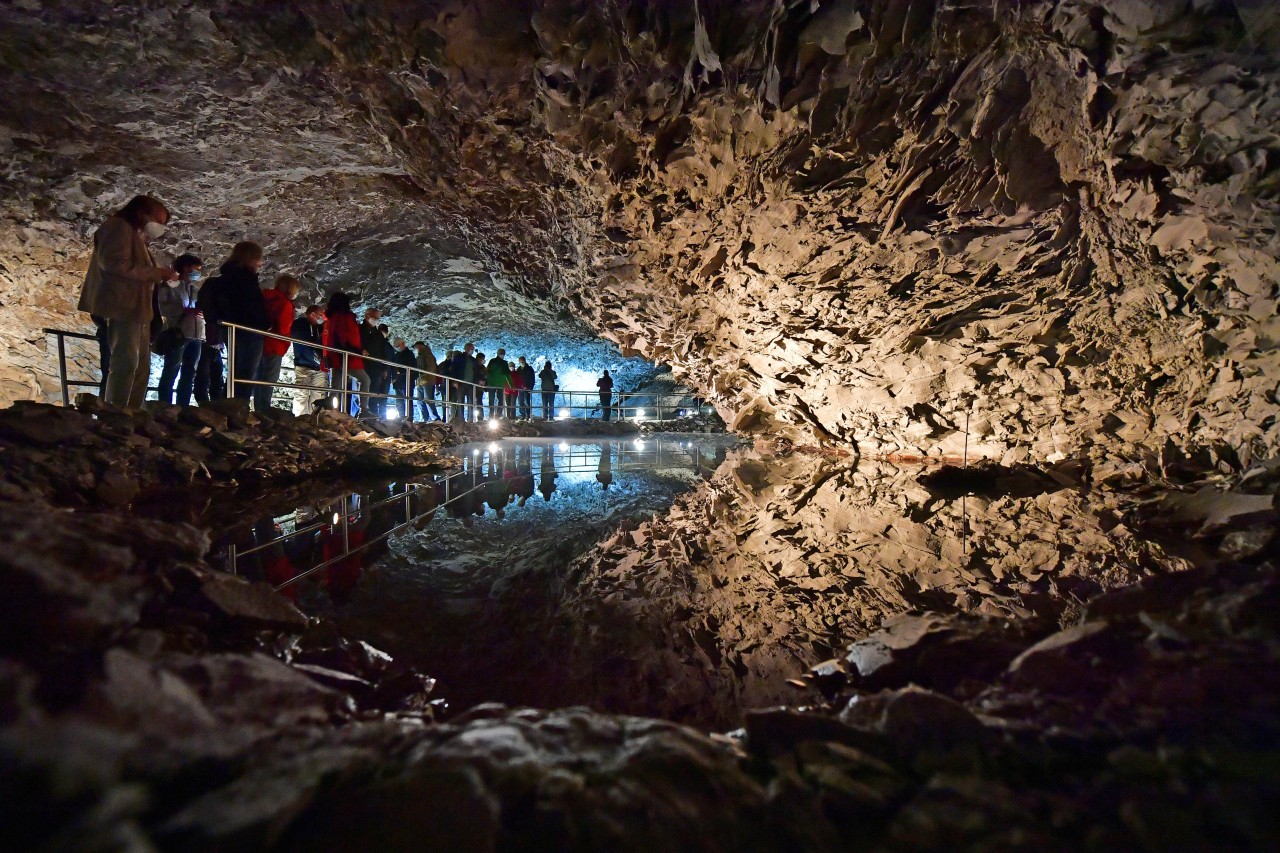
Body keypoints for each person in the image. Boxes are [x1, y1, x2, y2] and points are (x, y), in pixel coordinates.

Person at [76, 195, 178, 407]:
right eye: (158, 220)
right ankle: (116, 413)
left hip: (136, 309)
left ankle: (131, 412)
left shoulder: (131, 234)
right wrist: (156, 273)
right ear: (142, 213)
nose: (159, 226)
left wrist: (157, 275)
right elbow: (114, 264)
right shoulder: (117, 226)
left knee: (140, 367)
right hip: (123, 306)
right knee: (126, 363)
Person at [203, 241, 269, 402]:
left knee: (235, 373)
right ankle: (238, 409)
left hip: (230, 330)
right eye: (258, 258)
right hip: (248, 330)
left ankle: (228, 407)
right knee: (246, 374)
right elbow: (250, 306)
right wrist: (265, 324)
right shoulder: (245, 279)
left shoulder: (227, 278)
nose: (260, 263)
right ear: (251, 258)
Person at [155, 253, 205, 406]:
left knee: (189, 373)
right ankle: (165, 406)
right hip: (177, 333)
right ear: (185, 267)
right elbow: (161, 306)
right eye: (196, 269)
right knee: (171, 369)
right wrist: (183, 310)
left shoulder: (193, 289)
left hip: (196, 335)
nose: (198, 272)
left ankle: (182, 408)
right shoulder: (169, 286)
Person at [257, 274, 300, 412]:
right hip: (275, 344)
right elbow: (283, 327)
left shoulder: (266, 298)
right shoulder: (285, 303)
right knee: (270, 377)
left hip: (260, 343)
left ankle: (258, 408)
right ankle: (263, 410)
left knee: (259, 377)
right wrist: (287, 338)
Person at [323, 291, 368, 414]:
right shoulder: (344, 318)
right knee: (365, 380)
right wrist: (358, 351)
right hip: (348, 356)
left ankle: (328, 408)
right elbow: (345, 339)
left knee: (336, 385)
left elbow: (334, 339)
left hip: (337, 356)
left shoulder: (331, 318)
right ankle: (364, 409)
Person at [291, 304, 327, 415]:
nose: (323, 317)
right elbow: (303, 345)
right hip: (304, 365)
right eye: (321, 315)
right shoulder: (299, 325)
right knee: (301, 397)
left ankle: (316, 421)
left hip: (318, 368)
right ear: (312, 314)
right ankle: (299, 422)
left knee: (318, 396)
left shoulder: (320, 329)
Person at [360, 309, 390, 416]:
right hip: (363, 365)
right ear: (367, 315)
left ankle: (372, 414)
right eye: (375, 317)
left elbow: (383, 352)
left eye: (378, 318)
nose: (376, 320)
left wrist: (384, 368)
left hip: (376, 367)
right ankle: (363, 411)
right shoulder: (360, 330)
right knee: (363, 389)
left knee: (374, 392)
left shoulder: (378, 334)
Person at [413, 341, 441, 421]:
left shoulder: (428, 355)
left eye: (416, 347)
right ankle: (424, 418)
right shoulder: (419, 356)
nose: (415, 349)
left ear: (420, 346)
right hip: (420, 381)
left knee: (428, 400)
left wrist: (422, 375)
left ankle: (435, 419)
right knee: (419, 401)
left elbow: (431, 367)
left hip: (428, 380)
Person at [390, 337, 416, 420]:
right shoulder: (396, 355)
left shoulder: (409, 354)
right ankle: (401, 417)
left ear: (402, 344)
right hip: (398, 382)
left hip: (407, 381)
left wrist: (400, 371)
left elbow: (412, 368)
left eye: (397, 346)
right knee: (399, 401)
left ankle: (409, 418)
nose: (397, 348)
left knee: (408, 400)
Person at [486, 348, 510, 419]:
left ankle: (493, 414)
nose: (503, 355)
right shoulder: (503, 363)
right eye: (502, 354)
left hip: (493, 384)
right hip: (497, 384)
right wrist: (510, 385)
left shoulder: (493, 361)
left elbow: (488, 371)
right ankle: (497, 415)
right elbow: (507, 374)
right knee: (498, 399)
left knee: (493, 399)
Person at [473, 353, 487, 420]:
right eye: (482, 359)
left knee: (479, 402)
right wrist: (478, 381)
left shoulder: (483, 367)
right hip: (474, 387)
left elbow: (485, 376)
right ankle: (473, 417)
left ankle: (480, 418)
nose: (483, 360)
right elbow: (473, 376)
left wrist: (484, 382)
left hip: (480, 388)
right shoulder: (474, 366)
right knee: (474, 402)